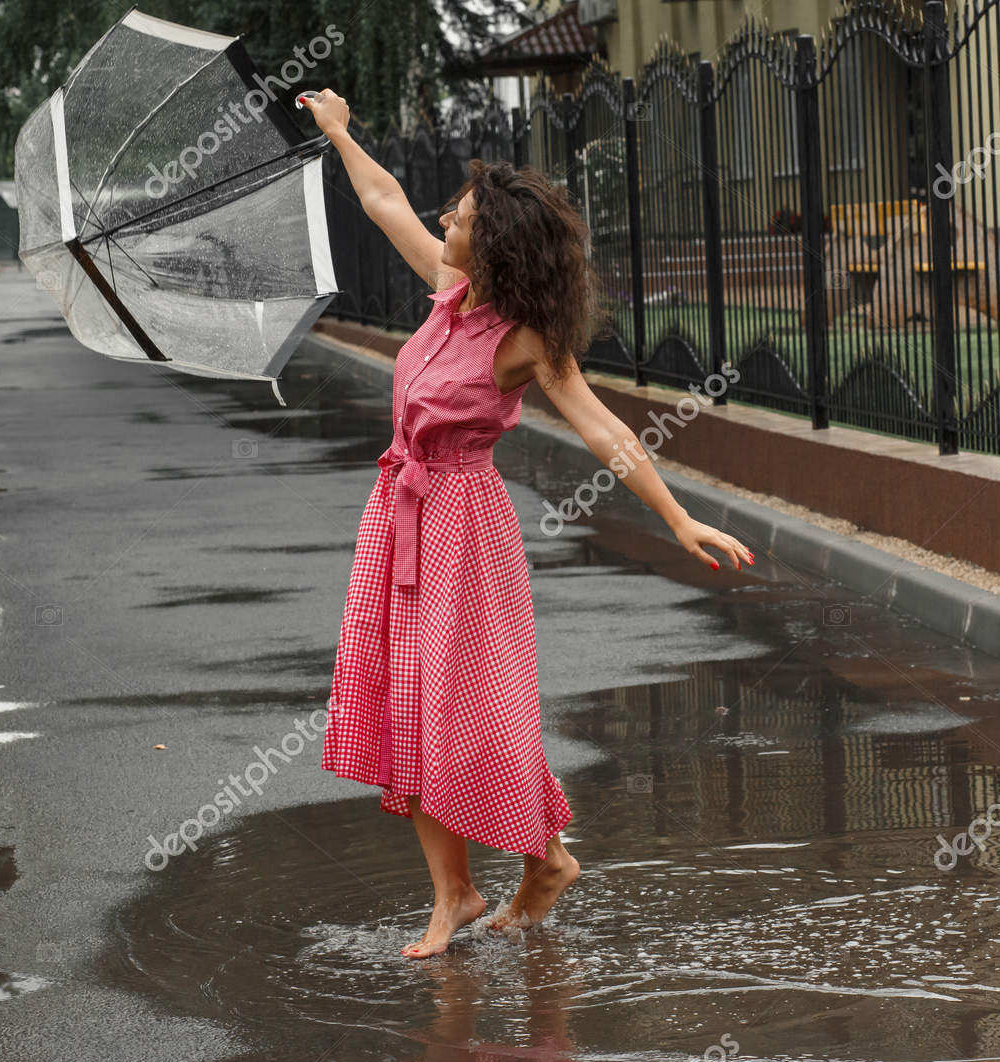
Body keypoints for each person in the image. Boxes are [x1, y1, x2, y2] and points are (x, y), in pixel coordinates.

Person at [304, 90, 754, 959]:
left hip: (467, 530)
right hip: (399, 518)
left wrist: (678, 515)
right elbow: (384, 200)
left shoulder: (523, 340)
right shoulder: (448, 287)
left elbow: (605, 429)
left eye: (462, 215)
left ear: (494, 242)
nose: (446, 219)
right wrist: (338, 132)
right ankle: (456, 894)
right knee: (408, 707)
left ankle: (543, 858)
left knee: (466, 713)